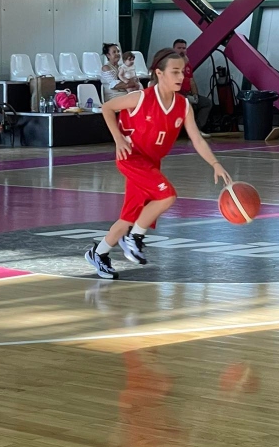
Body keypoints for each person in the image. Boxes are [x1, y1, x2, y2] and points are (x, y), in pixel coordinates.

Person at [85, 48, 232, 279]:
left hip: (151, 163)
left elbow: (196, 139)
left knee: (128, 218)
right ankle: (135, 237)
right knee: (167, 196)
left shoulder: (183, 105)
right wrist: (118, 139)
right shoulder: (141, 97)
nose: (181, 76)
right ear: (159, 73)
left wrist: (215, 163)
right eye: (175, 71)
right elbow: (107, 108)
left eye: (182, 72)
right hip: (132, 158)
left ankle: (99, 253)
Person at [172, 39, 212, 138]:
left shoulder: (187, 64)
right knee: (186, 103)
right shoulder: (170, 63)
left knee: (206, 102)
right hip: (176, 93)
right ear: (174, 49)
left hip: (187, 93)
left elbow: (191, 80)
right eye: (179, 48)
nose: (182, 50)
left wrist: (195, 94)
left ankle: (196, 129)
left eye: (184, 48)